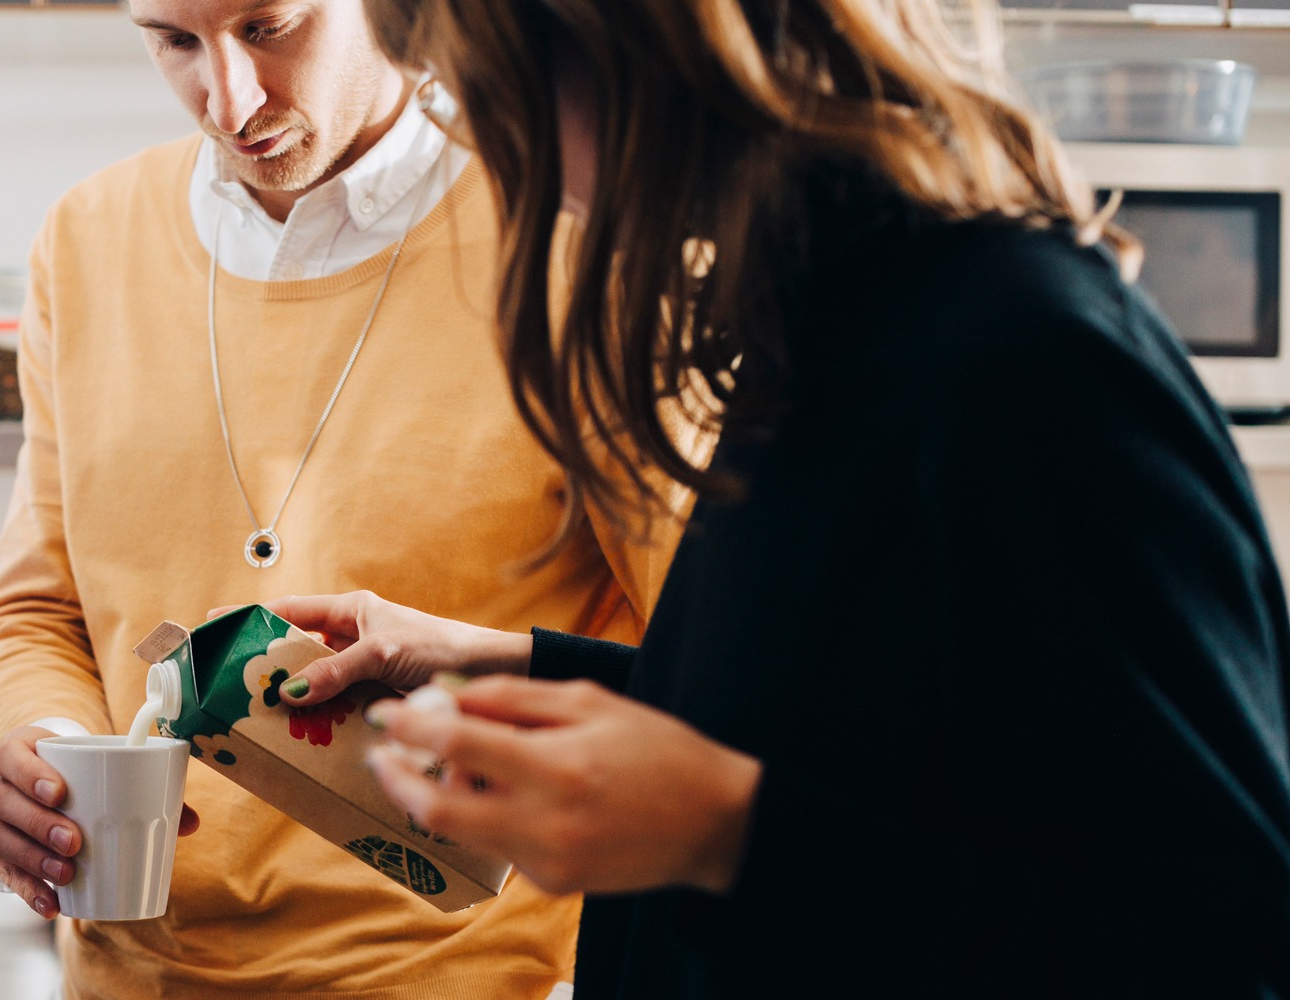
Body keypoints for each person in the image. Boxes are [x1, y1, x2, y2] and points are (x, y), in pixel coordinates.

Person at [262, 0, 1290, 996]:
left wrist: (726, 834)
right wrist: (514, 663)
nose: (490, 142)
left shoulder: (1022, 358)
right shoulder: (818, 327)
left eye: (481, 87)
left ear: (629, 51)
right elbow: (854, 733)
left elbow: (1219, 952)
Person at [0, 0, 686, 995]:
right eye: (173, 41)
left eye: (268, 27)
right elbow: (32, 613)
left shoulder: (579, 240)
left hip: (472, 975)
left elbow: (710, 670)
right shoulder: (86, 238)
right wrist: (24, 747)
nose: (227, 100)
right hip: (125, 974)